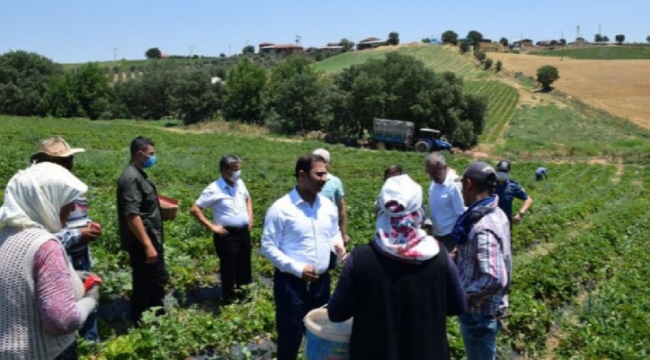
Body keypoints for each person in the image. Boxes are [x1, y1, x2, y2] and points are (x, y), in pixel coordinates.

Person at [328, 174, 466, 360]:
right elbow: (458, 306)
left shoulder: (360, 258)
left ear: (381, 210)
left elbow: (336, 313)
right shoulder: (439, 256)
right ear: (419, 212)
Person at [0, 162, 100, 360]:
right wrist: (90, 301)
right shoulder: (45, 245)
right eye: (65, 200)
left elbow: (17, 280)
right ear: (45, 200)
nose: (72, 208)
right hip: (43, 353)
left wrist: (66, 275)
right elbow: (61, 321)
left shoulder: (4, 234)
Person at [261, 154, 346, 360]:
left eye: (325, 173)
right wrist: (297, 268)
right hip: (292, 286)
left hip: (321, 284)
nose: (325, 178)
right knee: (290, 336)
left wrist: (339, 246)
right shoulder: (281, 209)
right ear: (302, 175)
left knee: (320, 335)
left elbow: (333, 231)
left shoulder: (327, 205)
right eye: (319, 174)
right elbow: (267, 247)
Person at [30, 135, 102, 343]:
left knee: (90, 304)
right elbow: (41, 238)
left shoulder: (75, 188)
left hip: (81, 257)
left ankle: (90, 347)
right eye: (63, 160)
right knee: (64, 310)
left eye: (70, 159)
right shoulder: (41, 195)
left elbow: (78, 219)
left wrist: (89, 226)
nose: (70, 163)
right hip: (59, 262)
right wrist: (80, 234)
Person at [452, 162, 511, 360]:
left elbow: (494, 278)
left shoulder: (483, 226)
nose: (460, 190)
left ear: (468, 184)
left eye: (462, 185)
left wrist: (462, 296)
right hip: (484, 312)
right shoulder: (496, 213)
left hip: (479, 314)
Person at [116, 136, 168, 326]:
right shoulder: (130, 177)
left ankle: (156, 318)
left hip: (151, 238)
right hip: (142, 242)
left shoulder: (139, 174)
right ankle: (141, 322)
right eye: (151, 154)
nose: (154, 157)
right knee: (145, 284)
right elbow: (131, 214)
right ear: (140, 154)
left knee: (157, 280)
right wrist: (147, 245)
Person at [190, 155, 253, 304]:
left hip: (243, 232)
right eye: (235, 170)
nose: (238, 173)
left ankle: (245, 298)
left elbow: (247, 198)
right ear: (224, 171)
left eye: (239, 169)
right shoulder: (213, 189)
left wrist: (250, 216)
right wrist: (211, 226)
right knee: (229, 269)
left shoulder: (239, 183)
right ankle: (229, 299)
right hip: (227, 235)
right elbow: (195, 209)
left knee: (245, 266)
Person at [425, 153, 466, 253]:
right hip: (437, 234)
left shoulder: (454, 186)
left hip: (450, 237)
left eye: (435, 173)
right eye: (430, 174)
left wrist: (457, 243)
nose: (433, 177)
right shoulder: (435, 183)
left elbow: (462, 214)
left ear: (445, 167)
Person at [312, 149, 349, 243]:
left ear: (327, 164)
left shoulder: (335, 182)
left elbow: (341, 208)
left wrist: (343, 233)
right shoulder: (306, 180)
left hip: (330, 231)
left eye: (321, 162)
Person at [495, 160, 533, 227]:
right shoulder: (489, 184)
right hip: (490, 221)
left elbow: (528, 200)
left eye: (505, 171)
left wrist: (520, 214)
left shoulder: (513, 186)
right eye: (500, 170)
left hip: (505, 222)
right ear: (496, 171)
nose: (502, 173)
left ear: (508, 173)